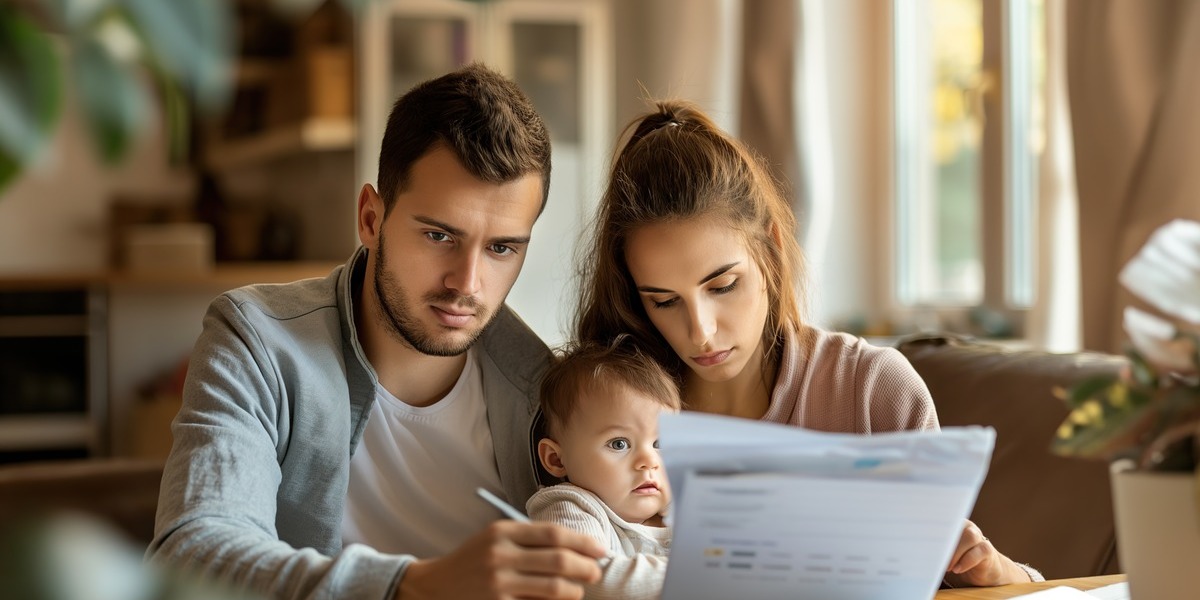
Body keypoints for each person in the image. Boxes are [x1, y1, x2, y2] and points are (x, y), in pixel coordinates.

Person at [147, 63, 607, 600]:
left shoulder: (546, 390)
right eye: (439, 235)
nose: (468, 283)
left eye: (502, 247)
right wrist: (412, 584)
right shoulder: (258, 342)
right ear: (370, 217)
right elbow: (191, 554)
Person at [574, 99, 1043, 587]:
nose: (701, 332)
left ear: (771, 249)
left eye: (722, 286)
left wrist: (991, 571)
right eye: (664, 301)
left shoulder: (871, 389)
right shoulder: (608, 413)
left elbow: (998, 585)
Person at [528, 339, 680, 600]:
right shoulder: (569, 506)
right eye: (619, 444)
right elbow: (588, 576)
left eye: (660, 443)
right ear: (556, 459)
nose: (649, 461)